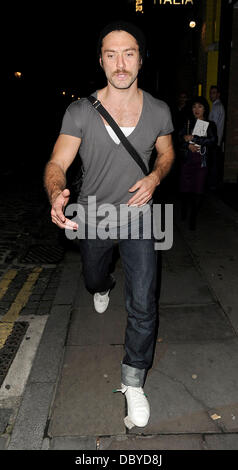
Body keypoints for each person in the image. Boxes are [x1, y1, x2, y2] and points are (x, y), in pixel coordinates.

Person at [44, 20, 174, 429]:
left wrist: (155, 177)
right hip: (94, 215)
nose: (121, 63)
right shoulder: (80, 111)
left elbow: (167, 154)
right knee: (94, 276)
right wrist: (56, 192)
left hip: (138, 216)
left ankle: (133, 379)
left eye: (129, 53)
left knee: (144, 300)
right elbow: (57, 163)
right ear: (101, 61)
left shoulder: (158, 110)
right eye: (112, 54)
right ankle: (101, 285)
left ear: (140, 59)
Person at [179, 96, 217, 230]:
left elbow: (213, 141)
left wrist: (196, 139)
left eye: (200, 106)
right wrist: (186, 143)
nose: (196, 109)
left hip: (201, 162)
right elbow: (178, 138)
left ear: (205, 109)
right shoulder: (188, 122)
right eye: (194, 106)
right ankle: (184, 208)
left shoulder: (210, 124)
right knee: (184, 189)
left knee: (198, 190)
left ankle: (193, 216)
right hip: (187, 161)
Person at [209, 85, 225, 188]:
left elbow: (212, 125)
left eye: (214, 93)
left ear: (218, 94)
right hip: (217, 141)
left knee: (213, 165)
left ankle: (212, 185)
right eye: (211, 93)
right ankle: (213, 184)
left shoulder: (217, 106)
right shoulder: (217, 106)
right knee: (214, 164)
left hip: (214, 141)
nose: (211, 95)